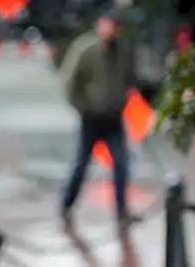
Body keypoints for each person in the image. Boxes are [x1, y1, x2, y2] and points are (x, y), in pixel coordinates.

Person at [59, 8, 141, 228]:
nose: (111, 30)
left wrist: (124, 101)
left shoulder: (122, 51)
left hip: (113, 118)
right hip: (91, 118)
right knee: (81, 164)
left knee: (121, 164)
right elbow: (70, 82)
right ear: (100, 25)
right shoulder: (86, 49)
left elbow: (130, 79)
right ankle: (66, 205)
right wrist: (83, 107)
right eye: (108, 25)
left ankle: (122, 210)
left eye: (116, 26)